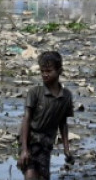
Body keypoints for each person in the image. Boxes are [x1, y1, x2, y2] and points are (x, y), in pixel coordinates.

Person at [18, 51, 74, 180]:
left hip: (46, 143)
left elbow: (63, 123)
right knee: (30, 174)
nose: (45, 74)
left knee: (43, 176)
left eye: (49, 71)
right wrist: (24, 150)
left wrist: (66, 149)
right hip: (30, 139)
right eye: (42, 71)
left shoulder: (66, 96)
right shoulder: (35, 93)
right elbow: (26, 119)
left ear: (59, 71)